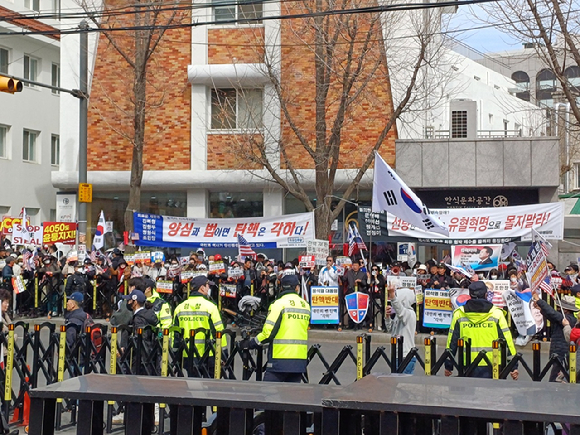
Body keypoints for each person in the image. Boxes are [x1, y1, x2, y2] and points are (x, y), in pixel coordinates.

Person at [240, 274, 310, 383]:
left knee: (267, 395)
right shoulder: (305, 305)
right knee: (291, 397)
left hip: (280, 360)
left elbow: (268, 333)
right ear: (297, 287)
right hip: (299, 361)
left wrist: (252, 343)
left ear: (281, 287)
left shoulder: (278, 304)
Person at [445, 281, 518, 379]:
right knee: (493, 393)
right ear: (486, 294)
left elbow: (452, 341)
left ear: (470, 295)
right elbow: (507, 340)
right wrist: (513, 366)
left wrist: (449, 365)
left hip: (468, 363)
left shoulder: (459, 314)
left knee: (469, 393)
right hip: (494, 363)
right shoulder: (496, 313)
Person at [173, 275, 226, 378]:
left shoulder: (180, 307)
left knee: (193, 387)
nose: (209, 288)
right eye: (207, 286)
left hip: (188, 354)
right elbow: (218, 331)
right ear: (202, 287)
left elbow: (175, 335)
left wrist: (176, 355)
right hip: (209, 354)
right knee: (210, 387)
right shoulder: (210, 307)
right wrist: (223, 354)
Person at [532, 291, 578, 382]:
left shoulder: (569, 319)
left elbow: (554, 314)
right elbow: (553, 317)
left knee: (555, 379)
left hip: (562, 353)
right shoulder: (563, 317)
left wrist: (540, 301)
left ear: (566, 309)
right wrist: (541, 309)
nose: (557, 308)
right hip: (558, 351)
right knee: (557, 377)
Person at [386, 283, 416, 373]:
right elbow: (390, 329)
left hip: (406, 356)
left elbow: (400, 310)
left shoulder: (410, 313)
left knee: (403, 384)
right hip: (396, 354)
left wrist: (392, 296)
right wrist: (387, 317)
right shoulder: (399, 316)